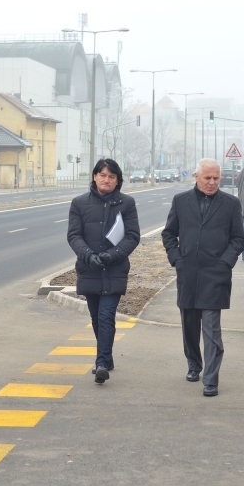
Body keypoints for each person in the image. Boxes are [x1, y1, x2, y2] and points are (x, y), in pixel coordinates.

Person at [162, 159, 244, 397]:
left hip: (215, 274)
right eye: (207, 178)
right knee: (190, 325)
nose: (211, 182)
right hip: (187, 272)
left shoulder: (230, 204)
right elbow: (169, 233)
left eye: (216, 178)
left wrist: (226, 261)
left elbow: (239, 239)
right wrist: (177, 259)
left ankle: (211, 378)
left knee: (211, 329)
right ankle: (194, 363)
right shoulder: (181, 202)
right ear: (196, 177)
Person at [68, 158, 140, 383]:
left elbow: (132, 236)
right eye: (102, 175)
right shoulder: (79, 203)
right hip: (89, 268)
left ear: (117, 180)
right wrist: (88, 255)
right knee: (96, 318)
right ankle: (106, 357)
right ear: (94, 176)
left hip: (114, 268)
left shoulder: (126, 203)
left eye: (111, 177)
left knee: (107, 315)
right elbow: (74, 235)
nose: (106, 180)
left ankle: (101, 363)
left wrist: (113, 255)